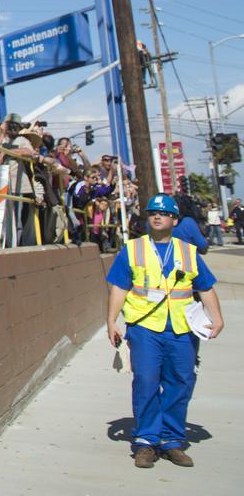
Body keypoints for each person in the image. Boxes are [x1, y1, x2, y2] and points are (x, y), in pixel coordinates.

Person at [105, 194, 225, 469]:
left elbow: (204, 287)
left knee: (180, 382)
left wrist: (217, 318)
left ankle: (172, 440)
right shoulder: (132, 249)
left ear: (174, 220)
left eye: (163, 213)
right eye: (152, 213)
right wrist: (112, 321)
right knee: (146, 380)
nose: (157, 217)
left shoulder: (188, 251)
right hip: (145, 327)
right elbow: (119, 287)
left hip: (182, 328)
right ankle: (146, 441)